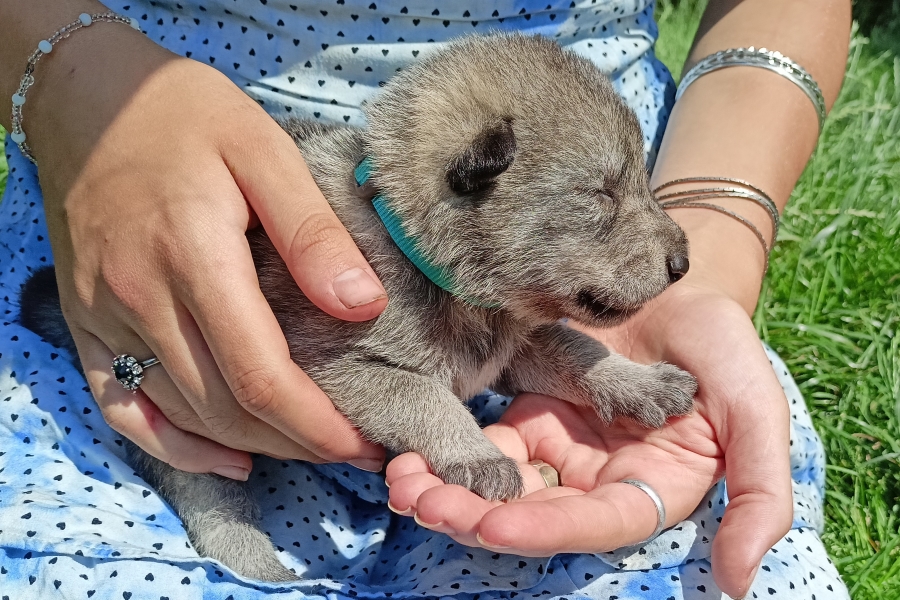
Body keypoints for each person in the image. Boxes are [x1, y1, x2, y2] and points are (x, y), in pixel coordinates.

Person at [0, 0, 851, 598]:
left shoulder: (500, 271)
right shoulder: (372, 246)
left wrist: (616, 375)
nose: (663, 244)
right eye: (601, 203)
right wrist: (68, 79)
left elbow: (524, 348)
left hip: (517, 426)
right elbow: (357, 369)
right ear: (473, 179)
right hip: (127, 233)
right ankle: (216, 517)